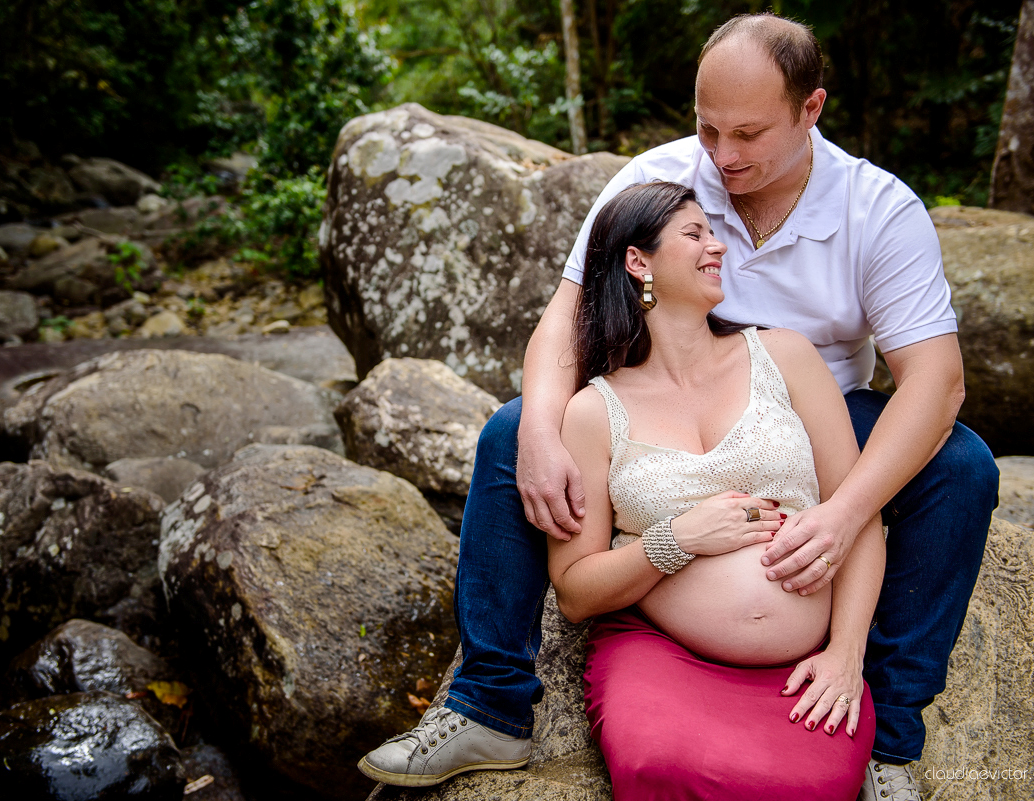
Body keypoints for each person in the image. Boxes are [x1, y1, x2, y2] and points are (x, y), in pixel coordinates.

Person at [359, 13, 998, 800]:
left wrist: (842, 514)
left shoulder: (878, 210)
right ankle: (490, 703)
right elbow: (565, 321)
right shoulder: (659, 176)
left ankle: (888, 735)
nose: (722, 157)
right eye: (708, 128)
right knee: (508, 431)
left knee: (960, 464)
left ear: (811, 110)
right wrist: (539, 430)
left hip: (810, 402)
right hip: (659, 399)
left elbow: (937, 381)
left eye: (748, 134)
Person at [549, 179, 883, 800]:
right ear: (637, 261)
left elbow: (859, 514)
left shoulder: (785, 357)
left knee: (806, 786)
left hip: (805, 672)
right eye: (695, 233)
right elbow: (574, 591)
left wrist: (846, 654)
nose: (718, 247)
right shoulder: (593, 413)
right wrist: (675, 540)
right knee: (660, 766)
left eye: (714, 232)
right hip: (663, 657)